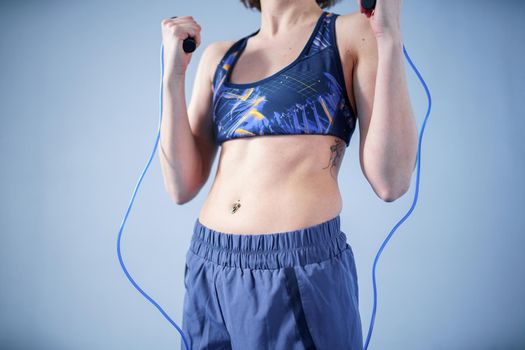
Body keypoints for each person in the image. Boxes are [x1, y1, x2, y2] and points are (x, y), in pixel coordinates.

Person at [159, 0, 417, 348]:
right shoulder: (220, 57)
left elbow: (392, 181)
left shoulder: (351, 33)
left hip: (294, 264)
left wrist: (389, 38)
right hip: (209, 264)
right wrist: (173, 76)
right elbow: (180, 186)